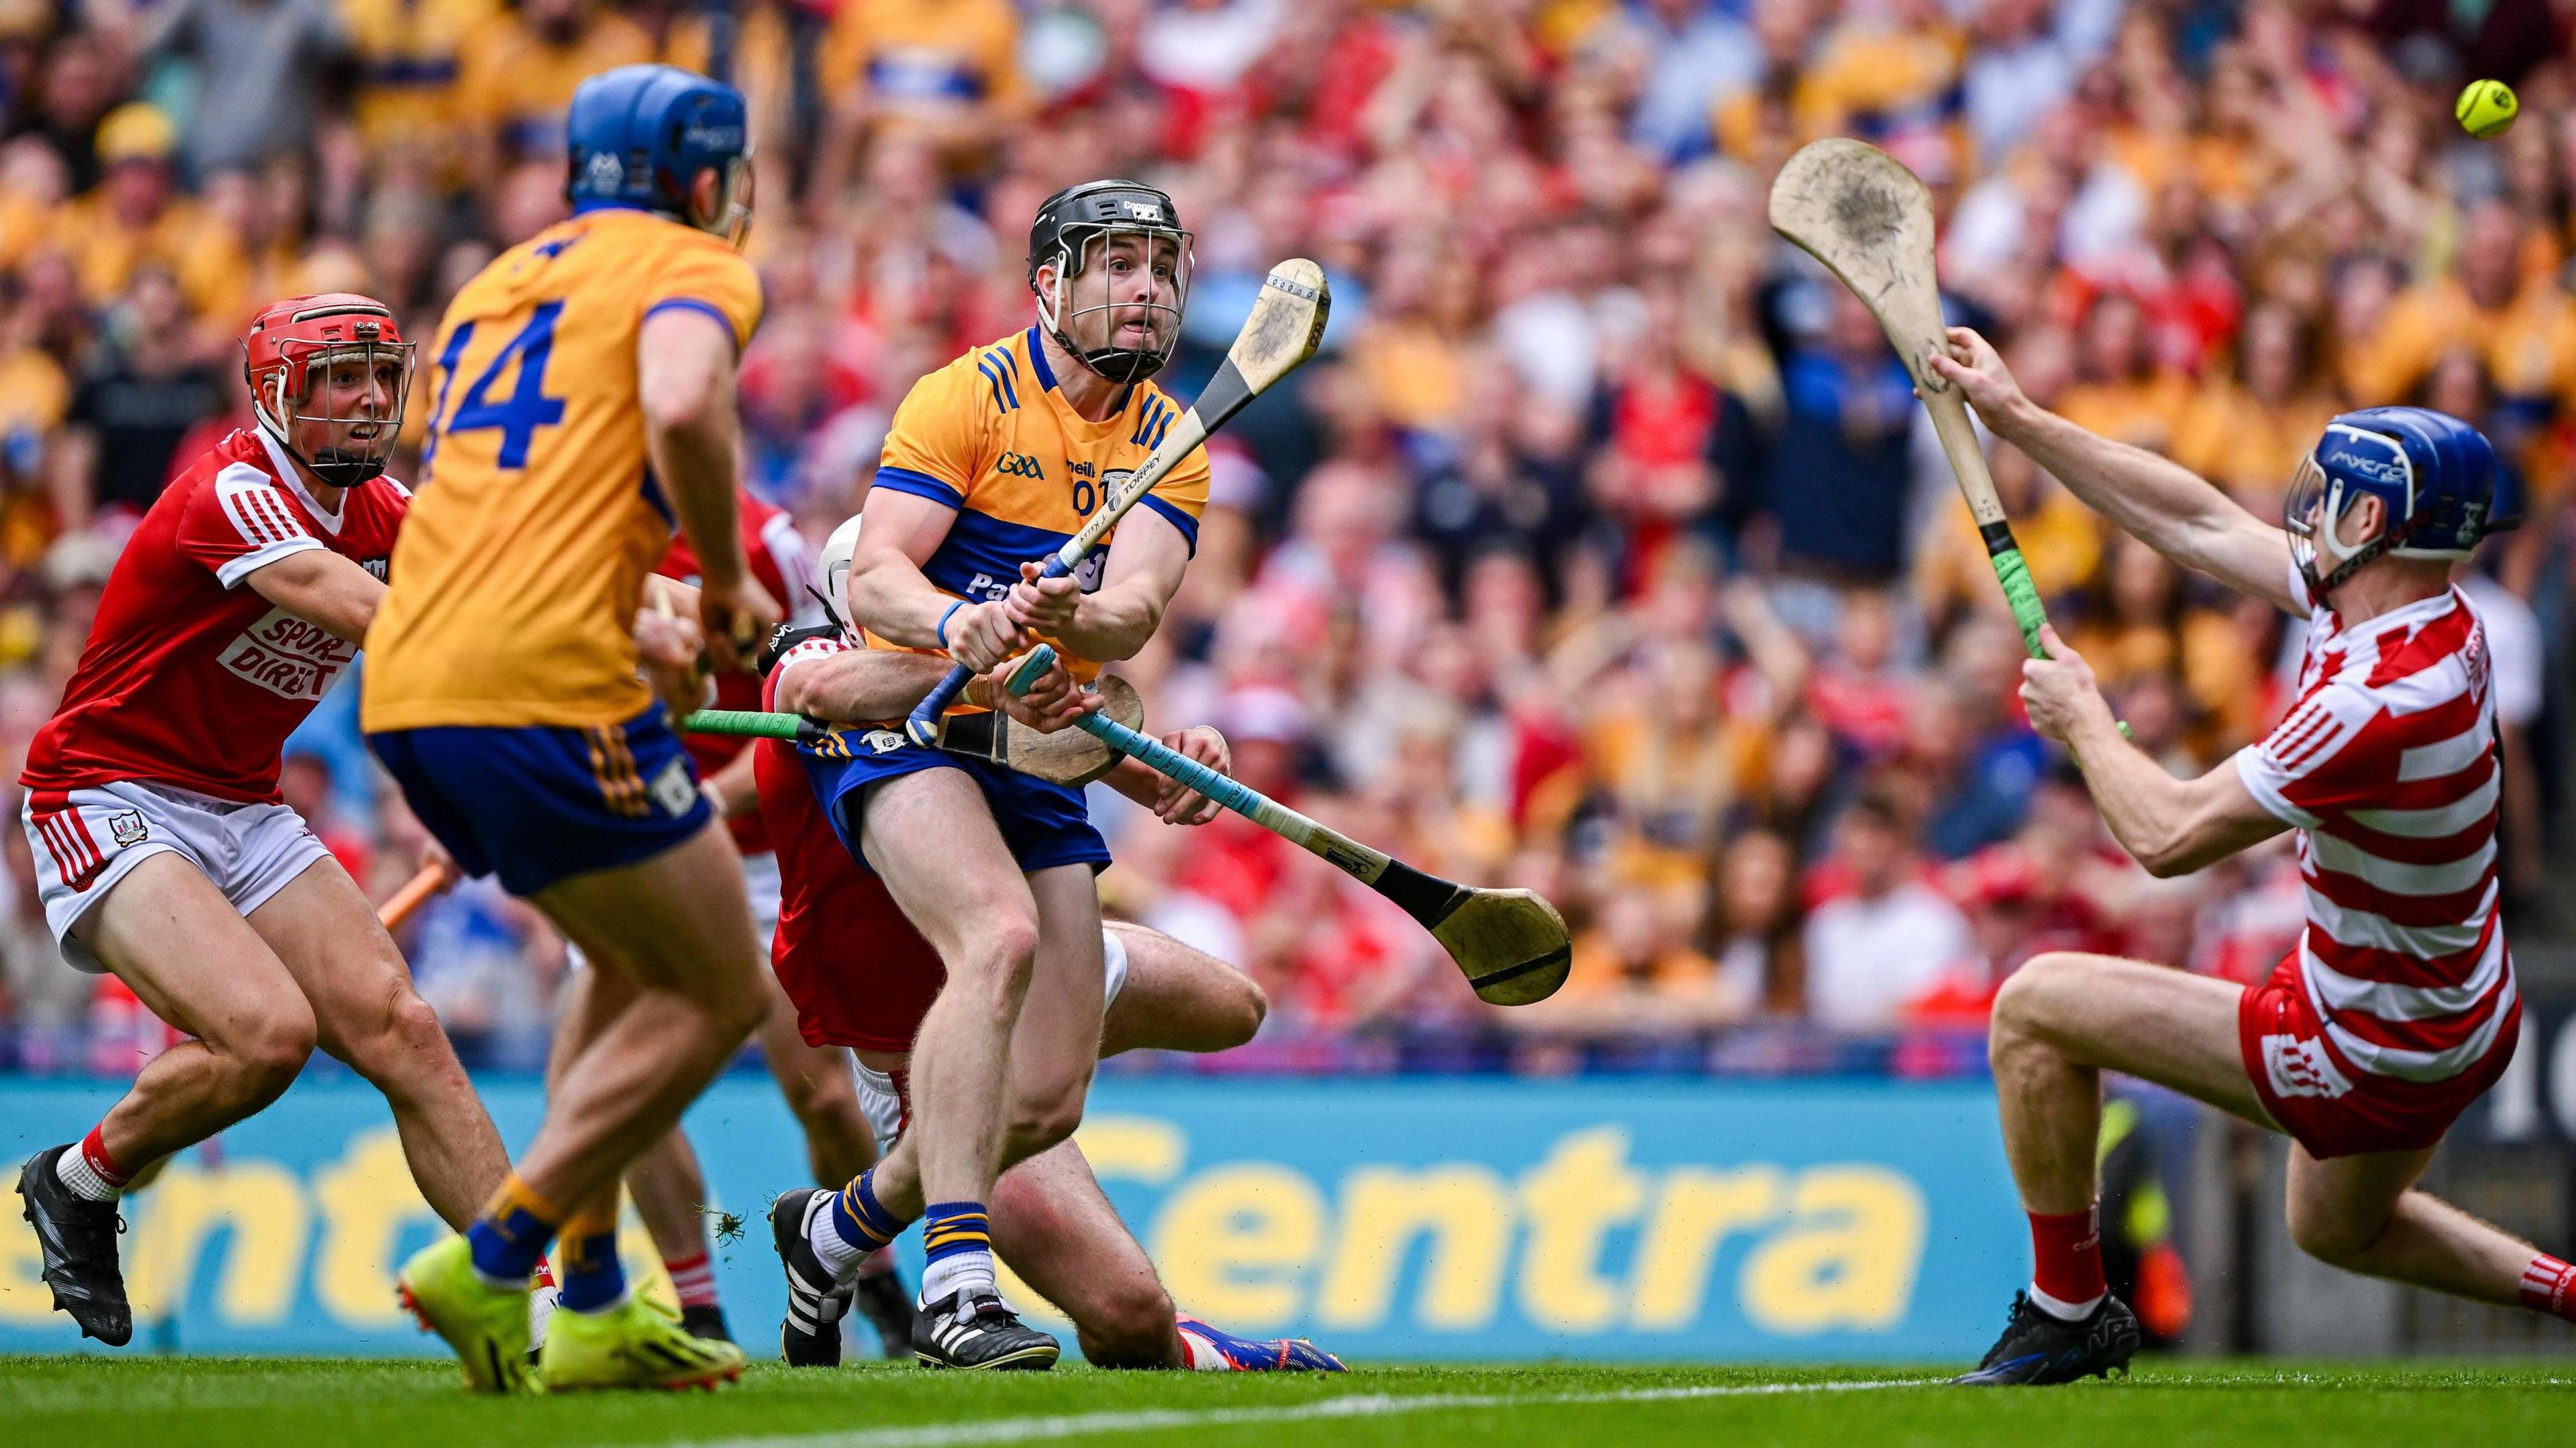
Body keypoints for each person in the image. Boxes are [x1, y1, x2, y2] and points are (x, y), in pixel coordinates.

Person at [1928, 328, 2569, 1385]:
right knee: (2334, 1228)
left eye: (2326, 493)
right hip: (2459, 1009)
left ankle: (2070, 1308)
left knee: (2034, 1005)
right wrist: (2020, 419)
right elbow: (2192, 519)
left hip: (2370, 1037)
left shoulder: (2377, 701)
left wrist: (2085, 718)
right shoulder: (2420, 611)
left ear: (2369, 521)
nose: (2301, 506)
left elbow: (2168, 837)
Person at [358, 65, 781, 1393]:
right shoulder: (693, 266)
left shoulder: (496, 280)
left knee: (627, 973)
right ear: (707, 181)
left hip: (415, 681)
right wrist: (720, 581)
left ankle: (595, 1298)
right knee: (717, 987)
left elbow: (507, 491)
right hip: (540, 685)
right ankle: (502, 1251)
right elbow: (676, 402)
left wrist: (637, 611)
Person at [13, 294, 511, 1350]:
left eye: (381, 374)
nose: (370, 398)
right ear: (282, 394)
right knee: (268, 1035)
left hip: (242, 802)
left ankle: (546, 1301)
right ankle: (78, 1179)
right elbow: (371, 608)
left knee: (408, 1032)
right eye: (340, 378)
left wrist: (652, 623)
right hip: (109, 792)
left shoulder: (386, 507)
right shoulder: (231, 490)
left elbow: (501, 584)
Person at [750, 523, 1339, 1372]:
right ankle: (849, 1230)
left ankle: (837, 1225)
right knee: (1132, 1316)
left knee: (1238, 1007)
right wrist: (982, 680)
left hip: (1035, 964)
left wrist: (1177, 764)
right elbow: (824, 685)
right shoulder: (820, 661)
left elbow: (1118, 759)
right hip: (935, 1053)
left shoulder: (998, 667)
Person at [833, 179, 1210, 1367]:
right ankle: (957, 1285)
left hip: (1033, 750)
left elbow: (1138, 608)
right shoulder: (967, 395)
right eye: (1115, 262)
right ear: (1049, 282)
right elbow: (876, 575)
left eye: (1158, 263)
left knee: (1044, 1098)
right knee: (993, 936)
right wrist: (959, 623)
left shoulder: (1171, 436)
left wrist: (1076, 615)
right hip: (912, 723)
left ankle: (836, 1234)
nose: (1144, 286)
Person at [594, 491, 914, 1353]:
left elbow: (797, 705)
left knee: (820, 1094)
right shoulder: (563, 519)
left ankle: (866, 1273)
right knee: (620, 1086)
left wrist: (700, 800)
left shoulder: (761, 541)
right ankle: (697, 1307)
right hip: (645, 849)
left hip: (764, 845)